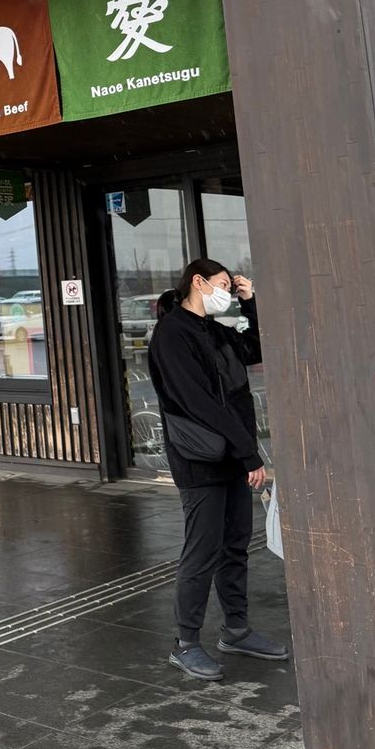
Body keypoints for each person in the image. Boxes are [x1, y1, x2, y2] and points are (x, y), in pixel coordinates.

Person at [148, 258, 287, 681]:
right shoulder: (172, 335)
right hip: (200, 460)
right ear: (198, 282)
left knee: (235, 546)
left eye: (231, 285)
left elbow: (258, 349)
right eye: (224, 284)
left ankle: (237, 629)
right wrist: (250, 453)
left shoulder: (215, 331)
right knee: (202, 551)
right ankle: (185, 642)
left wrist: (251, 303)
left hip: (231, 457)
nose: (227, 290)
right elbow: (200, 403)